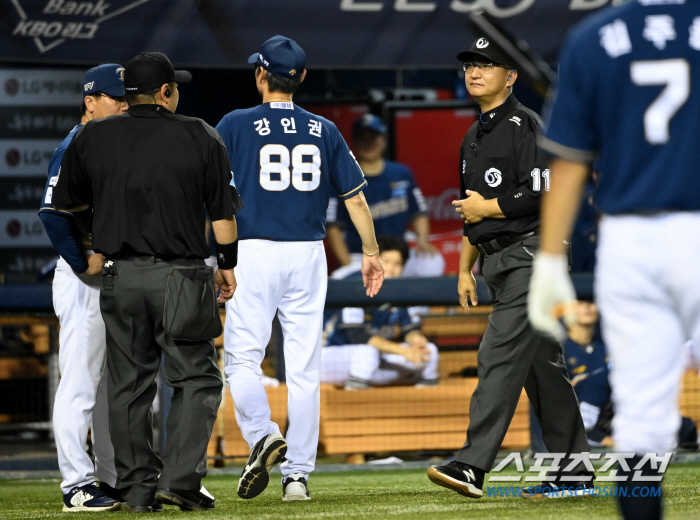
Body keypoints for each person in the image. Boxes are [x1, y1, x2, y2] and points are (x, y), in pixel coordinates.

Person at [528, 2, 700, 518]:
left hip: (629, 240)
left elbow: (569, 165)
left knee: (641, 429)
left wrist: (550, 263)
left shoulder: (593, 36)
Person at [51, 51, 243, 512]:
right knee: (197, 377)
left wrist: (90, 253)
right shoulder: (199, 133)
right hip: (180, 275)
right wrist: (228, 263)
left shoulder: (92, 137)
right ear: (165, 92)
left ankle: (137, 489)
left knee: (128, 386)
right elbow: (222, 215)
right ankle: (179, 479)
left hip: (119, 277)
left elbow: (62, 207)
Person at [215, 35, 384, 502]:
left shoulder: (234, 123)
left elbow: (214, 197)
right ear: (302, 78)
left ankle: (263, 436)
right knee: (305, 368)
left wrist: (217, 256)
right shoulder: (324, 128)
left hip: (252, 250)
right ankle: (297, 477)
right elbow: (356, 198)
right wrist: (371, 253)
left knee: (243, 360)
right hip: (308, 255)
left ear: (260, 75)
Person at [426, 36, 593, 499]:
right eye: (470, 66)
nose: (475, 72)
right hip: (498, 260)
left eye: (487, 65)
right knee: (544, 371)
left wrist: (489, 209)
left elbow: (545, 192)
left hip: (530, 256)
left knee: (497, 355)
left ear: (511, 75)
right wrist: (465, 269)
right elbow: (469, 210)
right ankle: (573, 471)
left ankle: (472, 465)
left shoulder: (526, 124)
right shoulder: (473, 134)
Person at [39, 63, 127, 513]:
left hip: (113, 275)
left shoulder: (114, 144)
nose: (124, 104)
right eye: (115, 97)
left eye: (128, 97)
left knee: (112, 388)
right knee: (79, 384)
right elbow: (52, 213)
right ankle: (76, 482)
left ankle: (109, 480)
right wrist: (80, 261)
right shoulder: (77, 144)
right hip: (84, 278)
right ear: (90, 101)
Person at [326, 114, 443, 278]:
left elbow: (419, 213)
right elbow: (333, 228)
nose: (368, 143)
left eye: (373, 138)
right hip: (360, 255)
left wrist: (422, 240)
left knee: (431, 262)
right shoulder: (342, 178)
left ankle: (411, 305)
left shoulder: (401, 173)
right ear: (354, 142)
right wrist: (347, 264)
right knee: (339, 279)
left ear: (383, 140)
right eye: (363, 138)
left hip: (397, 256)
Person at [321, 235, 439, 389]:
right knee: (367, 354)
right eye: (386, 261)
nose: (390, 269)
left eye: (397, 264)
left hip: (369, 361)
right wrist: (404, 352)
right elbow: (359, 336)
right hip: (329, 358)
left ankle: (423, 404)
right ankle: (350, 405)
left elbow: (410, 328)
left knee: (430, 352)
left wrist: (416, 342)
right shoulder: (354, 285)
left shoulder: (399, 289)